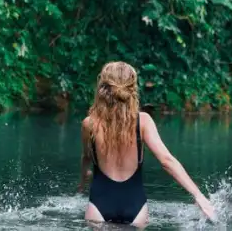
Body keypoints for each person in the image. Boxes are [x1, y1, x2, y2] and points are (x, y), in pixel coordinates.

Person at [77, 61, 217, 228]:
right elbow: (167, 161)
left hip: (98, 208)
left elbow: (86, 158)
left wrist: (82, 183)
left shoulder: (89, 124)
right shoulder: (143, 121)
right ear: (132, 88)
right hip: (136, 210)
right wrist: (198, 195)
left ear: (103, 88)